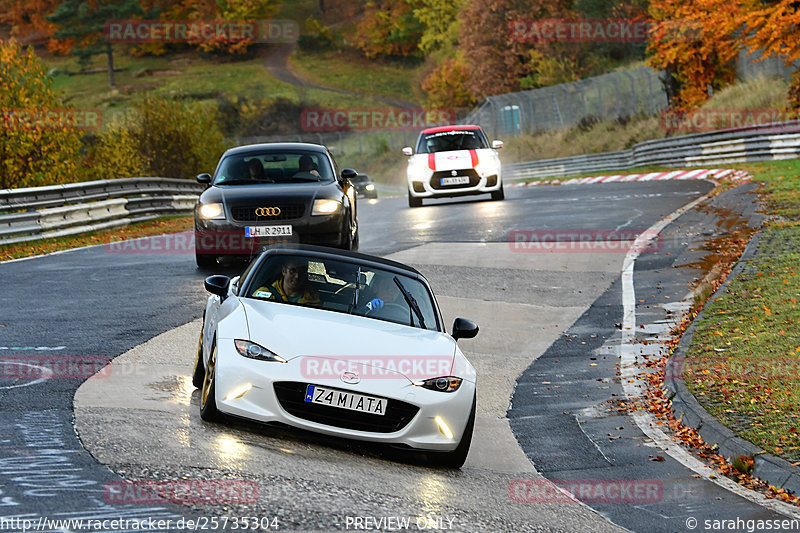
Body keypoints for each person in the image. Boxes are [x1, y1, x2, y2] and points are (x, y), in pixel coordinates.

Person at [253, 257, 321, 305]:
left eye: (302, 272)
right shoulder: (263, 294)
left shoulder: (313, 299)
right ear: (284, 271)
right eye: (292, 271)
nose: (297, 276)